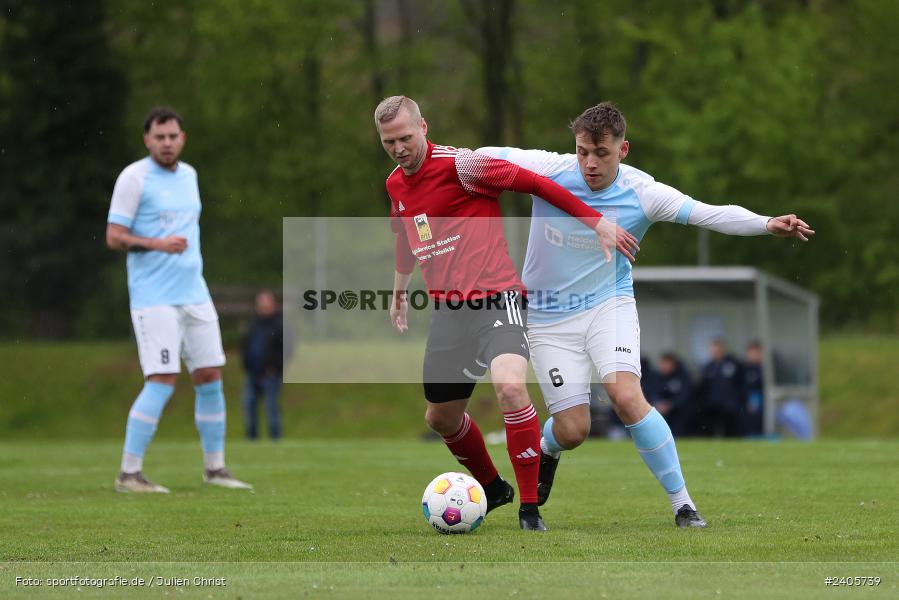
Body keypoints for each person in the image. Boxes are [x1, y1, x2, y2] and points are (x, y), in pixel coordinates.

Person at [478, 102, 813, 527]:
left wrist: (767, 223)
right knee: (574, 429)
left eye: (601, 153)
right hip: (547, 319)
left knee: (625, 396)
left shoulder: (643, 193)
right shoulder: (548, 169)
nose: (590, 162)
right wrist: (428, 153)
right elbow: (478, 158)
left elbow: (709, 213)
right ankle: (550, 449)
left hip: (607, 307)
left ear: (624, 149)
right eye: (582, 151)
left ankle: (683, 504)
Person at [376, 95, 638, 531]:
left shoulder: (465, 165)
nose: (399, 148)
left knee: (511, 388)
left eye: (405, 137)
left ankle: (530, 509)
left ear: (424, 127)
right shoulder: (395, 185)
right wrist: (399, 289)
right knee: (440, 418)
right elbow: (406, 235)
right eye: (389, 142)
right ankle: (494, 489)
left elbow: (536, 183)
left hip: (498, 300)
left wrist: (597, 222)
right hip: (448, 310)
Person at [106, 107, 251, 493]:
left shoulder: (190, 176)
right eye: (159, 137)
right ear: (147, 140)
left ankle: (215, 469)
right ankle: (129, 474)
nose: (167, 143)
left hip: (194, 293)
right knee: (162, 379)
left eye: (173, 136)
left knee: (209, 375)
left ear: (182, 138)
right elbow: (114, 236)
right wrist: (157, 244)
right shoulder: (133, 178)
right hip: (154, 298)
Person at [241, 289, 286, 441]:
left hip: (270, 374)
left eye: (266, 303)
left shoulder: (280, 325)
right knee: (249, 407)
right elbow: (246, 346)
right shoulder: (253, 324)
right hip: (252, 373)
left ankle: (275, 440)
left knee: (271, 408)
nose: (263, 306)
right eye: (261, 303)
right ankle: (252, 440)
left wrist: (276, 367)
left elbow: (287, 350)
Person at [697, 339, 746, 438]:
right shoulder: (708, 367)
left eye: (718, 350)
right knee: (711, 430)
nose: (716, 352)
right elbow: (703, 387)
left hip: (730, 406)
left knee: (731, 433)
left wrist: (738, 399)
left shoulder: (734, 364)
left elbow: (741, 383)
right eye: (714, 350)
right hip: (712, 406)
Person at [655, 352, 694, 437]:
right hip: (663, 413)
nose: (663, 366)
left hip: (681, 414)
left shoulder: (683, 376)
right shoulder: (658, 376)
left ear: (672, 363)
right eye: (662, 363)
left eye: (665, 363)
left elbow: (685, 395)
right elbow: (654, 392)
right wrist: (658, 403)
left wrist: (671, 405)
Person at [742, 340, 764, 436]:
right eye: (751, 352)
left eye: (756, 353)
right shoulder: (743, 369)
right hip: (744, 406)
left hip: (760, 405)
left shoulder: (764, 369)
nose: (753, 355)